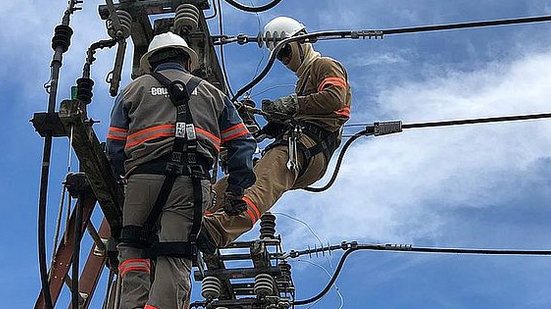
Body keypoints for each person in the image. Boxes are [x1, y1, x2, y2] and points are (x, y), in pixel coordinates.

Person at [106, 32, 256, 309]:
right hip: (191, 183)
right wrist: (236, 187)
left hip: (141, 180)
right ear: (187, 61)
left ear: (151, 63)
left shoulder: (134, 90)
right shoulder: (214, 95)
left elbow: (115, 144)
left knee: (132, 246)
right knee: (175, 252)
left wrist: (123, 178)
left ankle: (132, 304)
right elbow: (243, 142)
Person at [199, 16, 352, 251]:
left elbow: (334, 98)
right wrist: (271, 125)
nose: (284, 60)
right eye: (279, 56)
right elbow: (303, 111)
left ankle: (219, 230)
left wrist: (293, 105)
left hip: (307, 148)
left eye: (285, 52)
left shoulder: (325, 65)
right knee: (236, 182)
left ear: (300, 41)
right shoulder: (302, 81)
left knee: (262, 183)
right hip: (297, 143)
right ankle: (194, 216)